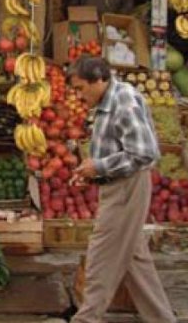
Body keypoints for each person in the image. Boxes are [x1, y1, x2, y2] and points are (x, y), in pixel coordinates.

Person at [69, 58, 176, 323]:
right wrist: (93, 173)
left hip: (127, 188)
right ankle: (162, 319)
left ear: (99, 80)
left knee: (100, 257)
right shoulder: (107, 101)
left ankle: (86, 319)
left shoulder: (123, 100)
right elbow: (117, 149)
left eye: (82, 88)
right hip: (118, 186)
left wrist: (101, 166)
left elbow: (144, 152)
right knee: (135, 260)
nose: (79, 95)